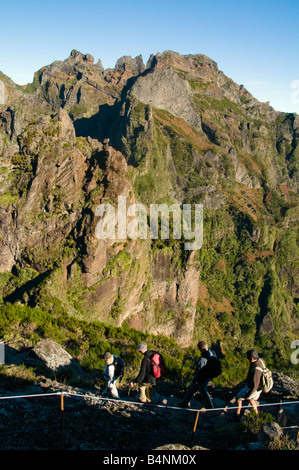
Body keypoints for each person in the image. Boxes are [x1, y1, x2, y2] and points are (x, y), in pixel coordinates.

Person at [178, 341, 220, 409]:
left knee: (192, 388)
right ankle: (209, 404)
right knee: (202, 388)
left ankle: (184, 403)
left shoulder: (202, 359)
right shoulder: (212, 353)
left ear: (200, 349)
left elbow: (199, 371)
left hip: (203, 376)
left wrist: (195, 380)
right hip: (210, 375)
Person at [235, 349, 264, 417]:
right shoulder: (260, 361)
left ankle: (237, 414)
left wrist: (248, 395)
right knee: (251, 400)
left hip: (253, 388)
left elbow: (255, 385)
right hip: (258, 388)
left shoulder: (257, 370)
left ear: (251, 358)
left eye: (248, 357)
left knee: (238, 398)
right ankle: (256, 414)